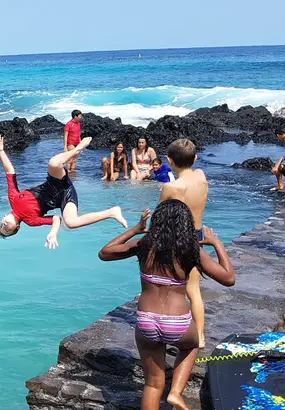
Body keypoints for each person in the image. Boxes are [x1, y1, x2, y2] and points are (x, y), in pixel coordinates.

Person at [98, 201, 235, 410]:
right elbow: (228, 278)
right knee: (191, 345)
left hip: (147, 322)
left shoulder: (144, 245)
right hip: (177, 322)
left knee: (152, 384)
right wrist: (217, 243)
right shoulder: (191, 249)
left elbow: (105, 252)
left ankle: (167, 393)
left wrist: (135, 230)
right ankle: (175, 393)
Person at [0, 134, 127, 250]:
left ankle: (77, 149)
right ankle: (111, 212)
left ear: (4, 216)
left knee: (54, 163)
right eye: (7, 230)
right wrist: (53, 233)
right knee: (71, 222)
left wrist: (0, 151)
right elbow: (56, 219)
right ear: (17, 227)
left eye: (1, 225)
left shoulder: (13, 198)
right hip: (64, 198)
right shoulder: (31, 221)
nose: (4, 225)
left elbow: (10, 172)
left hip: (56, 182)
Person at [158, 138, 208, 348]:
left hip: (177, 241)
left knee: (170, 288)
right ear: (195, 159)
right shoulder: (201, 176)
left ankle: (167, 332)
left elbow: (160, 219)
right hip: (197, 236)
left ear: (169, 161)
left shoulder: (172, 187)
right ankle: (201, 337)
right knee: (193, 289)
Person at [64, 110, 83, 175]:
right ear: (75, 116)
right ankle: (67, 172)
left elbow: (79, 134)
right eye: (80, 116)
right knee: (70, 159)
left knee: (74, 160)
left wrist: (81, 145)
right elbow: (65, 136)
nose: (81, 117)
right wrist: (65, 147)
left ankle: (73, 173)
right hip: (70, 143)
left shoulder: (78, 124)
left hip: (77, 143)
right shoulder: (68, 124)